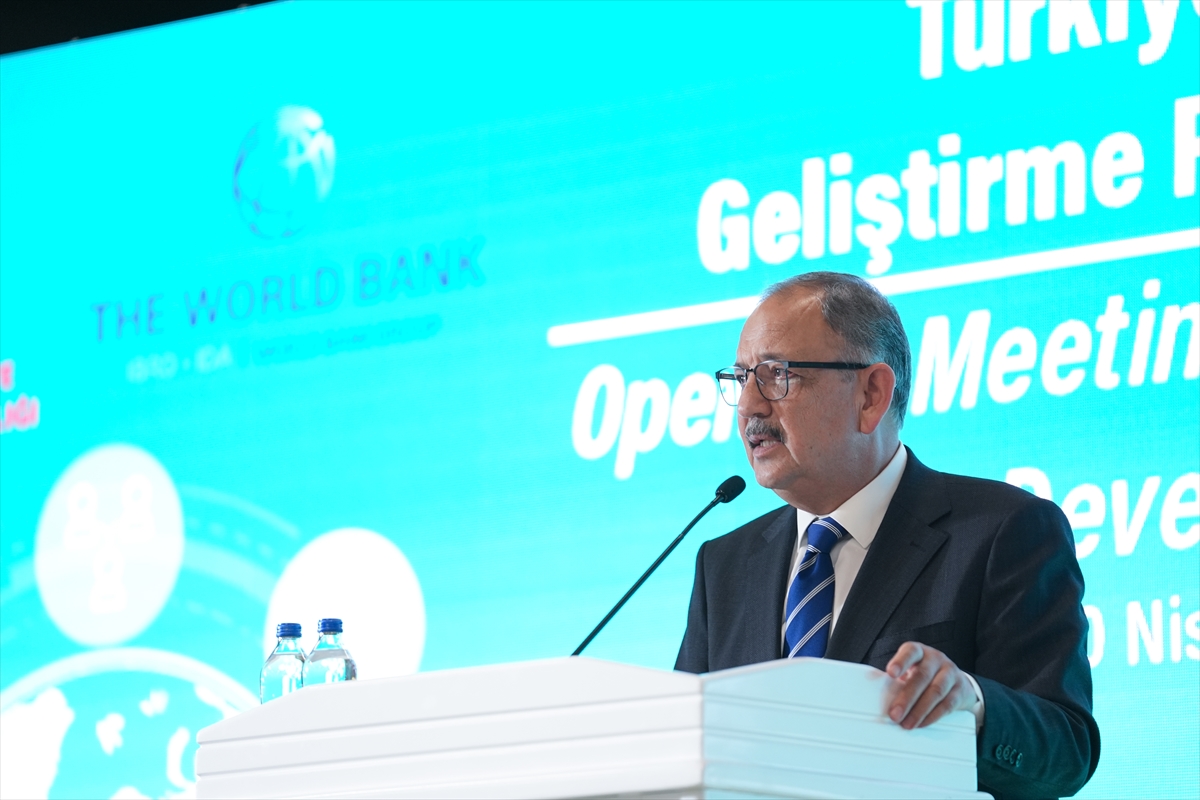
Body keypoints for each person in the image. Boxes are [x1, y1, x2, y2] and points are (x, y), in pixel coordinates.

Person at [674, 272, 1099, 800]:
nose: (748, 407)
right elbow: (683, 752)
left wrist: (971, 703)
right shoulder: (725, 565)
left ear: (871, 394)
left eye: (777, 375)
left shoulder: (1002, 530)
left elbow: (1066, 751)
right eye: (741, 379)